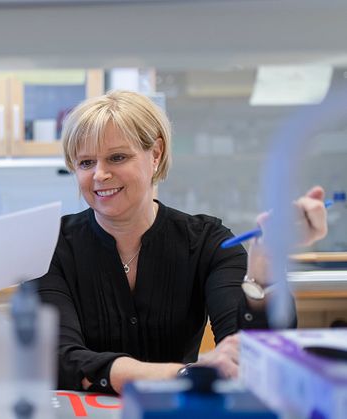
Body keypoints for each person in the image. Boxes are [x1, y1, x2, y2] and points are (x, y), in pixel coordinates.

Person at [36, 90, 328, 395]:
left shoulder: (207, 242)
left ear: (156, 153)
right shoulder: (49, 246)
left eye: (117, 157)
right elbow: (57, 360)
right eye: (85, 163)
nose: (100, 174)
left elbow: (255, 358)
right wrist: (184, 374)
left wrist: (265, 274)